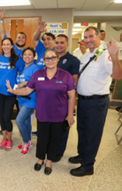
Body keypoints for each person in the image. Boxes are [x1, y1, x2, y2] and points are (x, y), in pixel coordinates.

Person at [6, 49, 76, 175]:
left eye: (53, 58)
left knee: (54, 139)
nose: (50, 60)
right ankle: (40, 159)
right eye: (47, 58)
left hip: (59, 115)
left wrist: (70, 114)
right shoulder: (38, 74)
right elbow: (27, 90)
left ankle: (49, 161)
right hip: (43, 114)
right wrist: (13, 91)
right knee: (42, 138)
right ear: (43, 61)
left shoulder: (66, 76)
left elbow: (72, 96)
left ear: (57, 59)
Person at [69, 26, 122, 177]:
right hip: (83, 101)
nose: (88, 40)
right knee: (82, 130)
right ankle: (82, 155)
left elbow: (118, 76)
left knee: (93, 134)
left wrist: (115, 56)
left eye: (91, 36)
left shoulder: (106, 56)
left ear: (99, 37)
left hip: (97, 102)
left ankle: (88, 166)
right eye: (85, 37)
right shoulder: (87, 56)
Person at [53, 34, 80, 162]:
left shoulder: (73, 60)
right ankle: (50, 149)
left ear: (67, 44)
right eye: (57, 42)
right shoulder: (50, 57)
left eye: (62, 42)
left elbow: (74, 83)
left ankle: (58, 152)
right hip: (50, 99)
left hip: (64, 100)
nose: (59, 45)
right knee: (50, 126)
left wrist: (71, 109)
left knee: (63, 128)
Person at [0, 37, 25, 151]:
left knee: (7, 117)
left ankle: (10, 139)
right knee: (2, 117)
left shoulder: (17, 59)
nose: (6, 47)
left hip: (11, 93)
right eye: (4, 44)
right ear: (2, 46)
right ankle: (4, 138)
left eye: (8, 44)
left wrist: (17, 86)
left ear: (12, 46)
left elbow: (22, 73)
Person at [14, 47, 40, 155]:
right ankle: (29, 141)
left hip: (31, 100)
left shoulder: (36, 68)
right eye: (25, 55)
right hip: (21, 99)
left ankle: (25, 142)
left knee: (19, 121)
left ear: (34, 56)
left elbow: (36, 84)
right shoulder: (22, 68)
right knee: (26, 121)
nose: (27, 57)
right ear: (22, 56)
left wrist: (24, 83)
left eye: (30, 54)